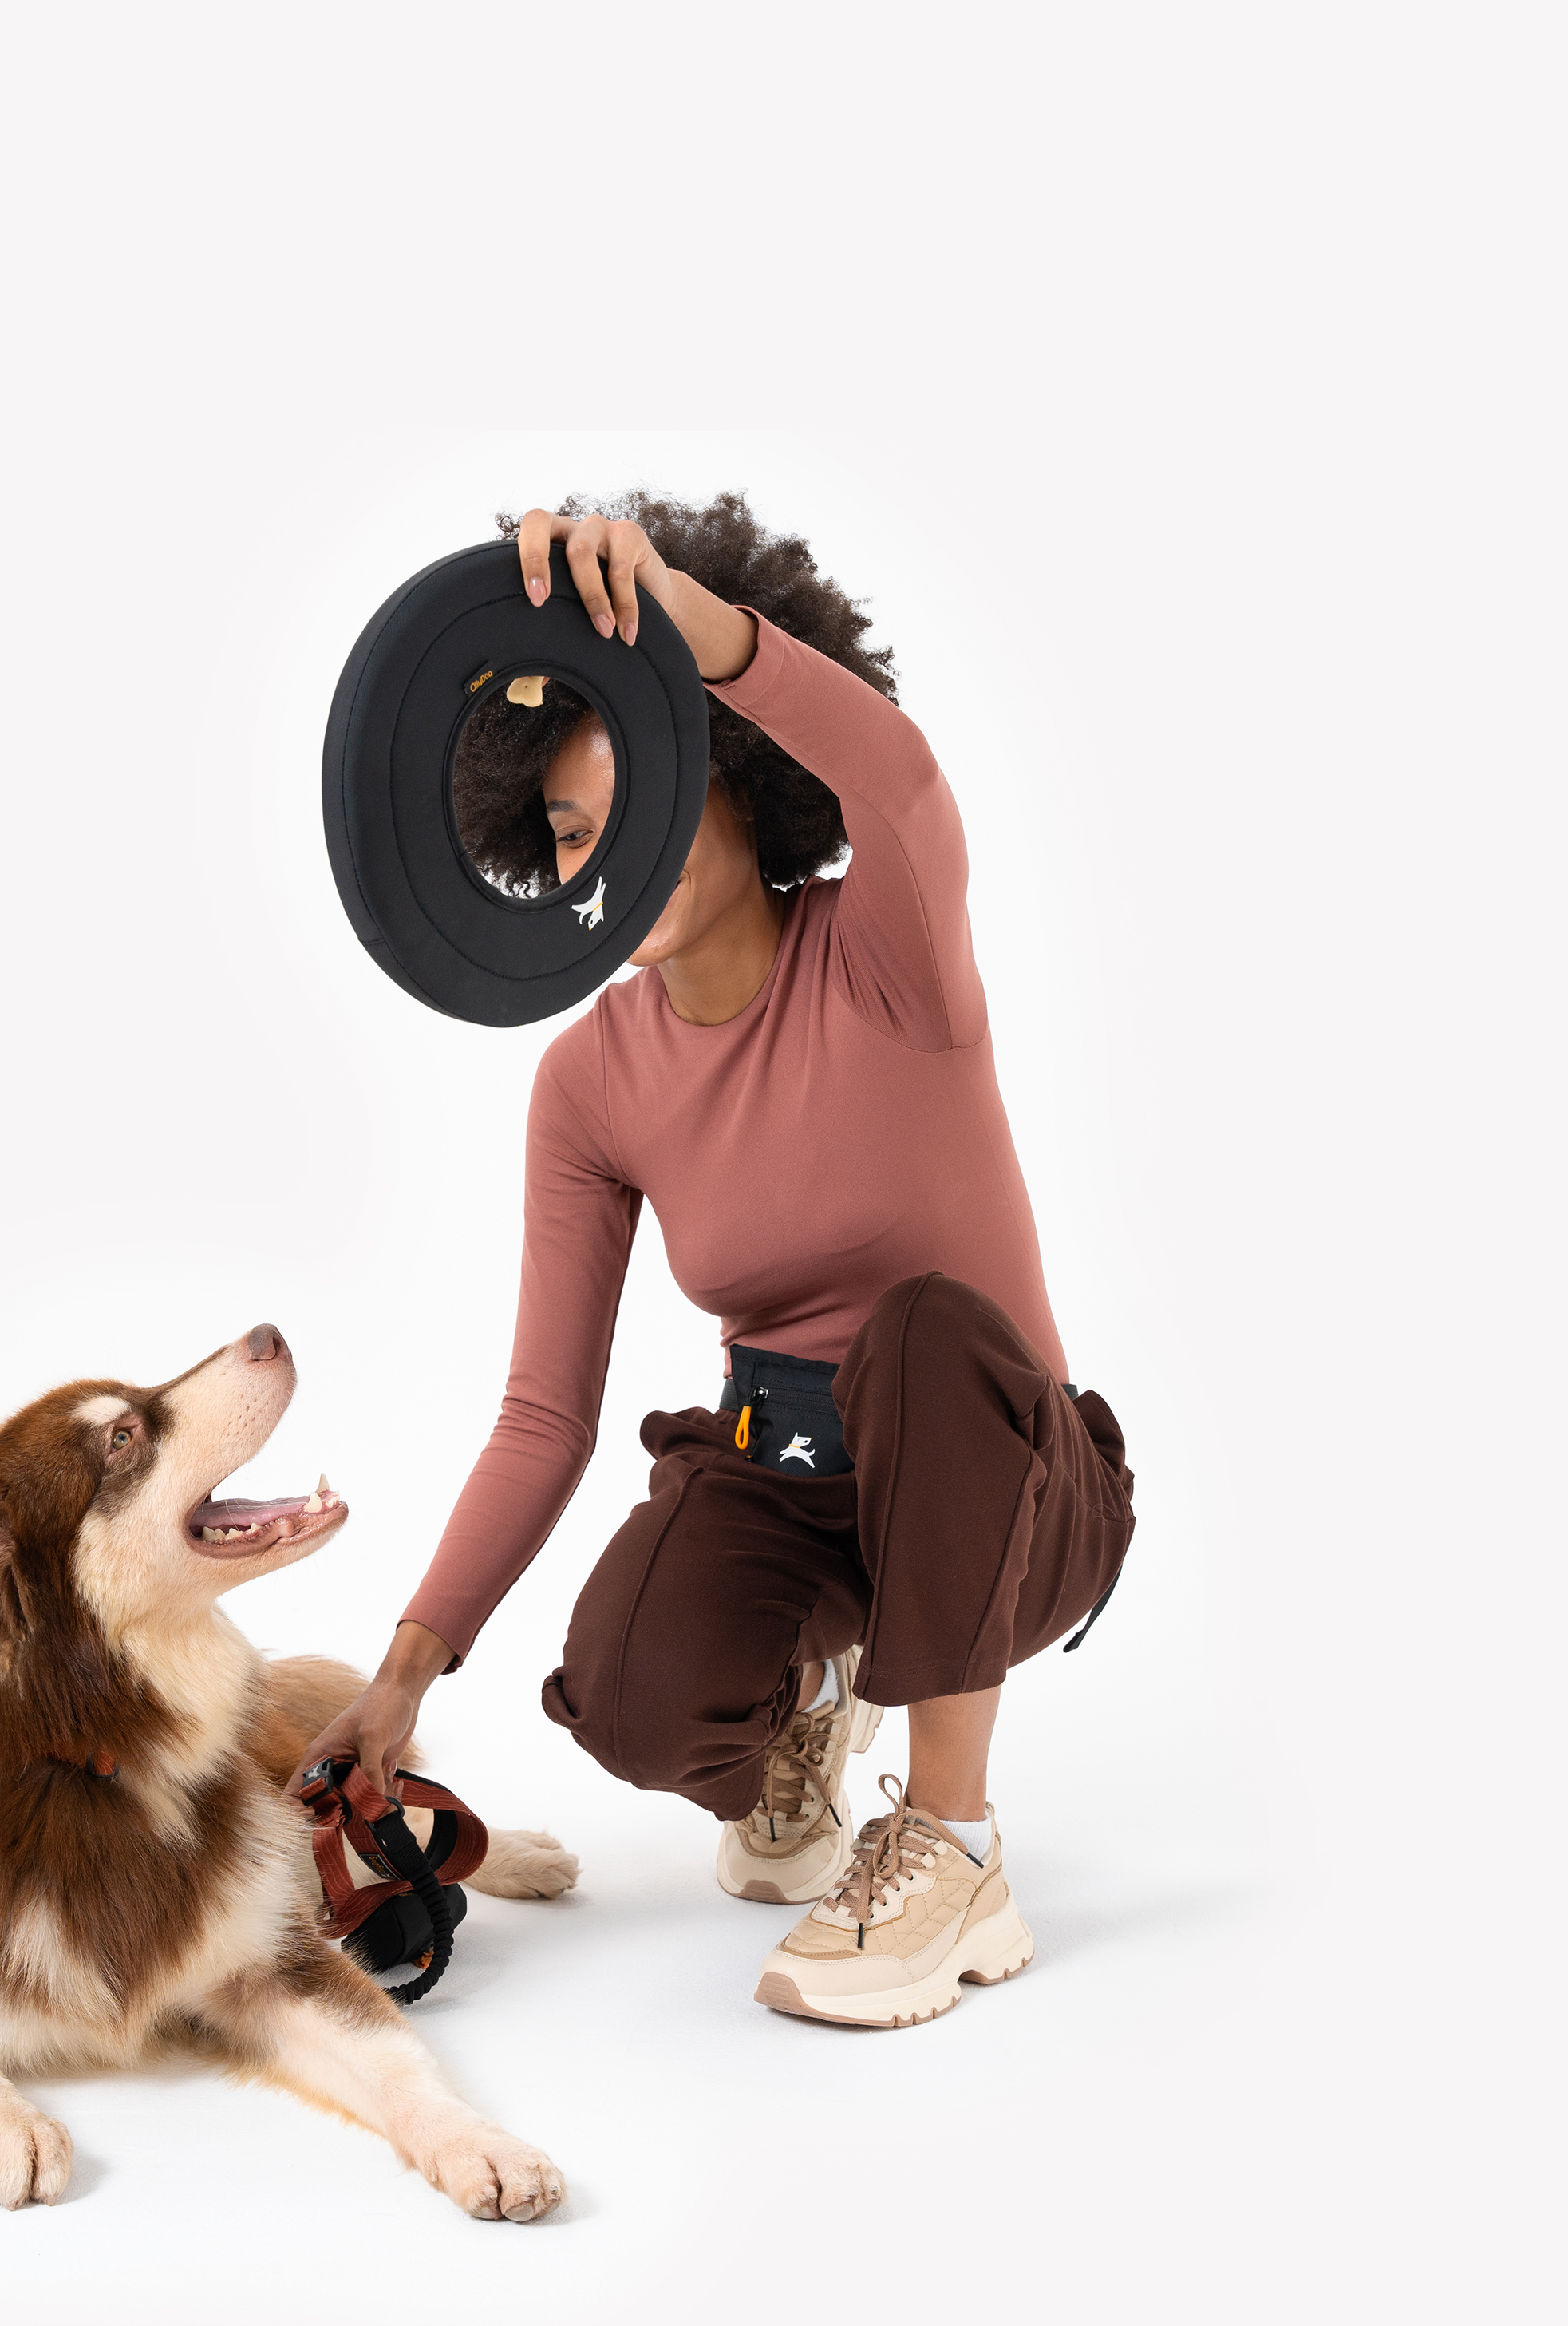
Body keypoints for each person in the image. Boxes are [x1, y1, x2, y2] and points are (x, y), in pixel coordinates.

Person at [304, 492, 1134, 2027]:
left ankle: (955, 1850)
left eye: (637, 802)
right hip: (797, 1487)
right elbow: (544, 1416)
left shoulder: (887, 954)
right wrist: (407, 1672)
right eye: (568, 832)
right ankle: (815, 1697)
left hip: (1018, 1491)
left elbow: (904, 778)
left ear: (733, 775)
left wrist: (703, 635)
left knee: (920, 1331)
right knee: (631, 1687)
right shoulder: (591, 1082)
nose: (604, 856)